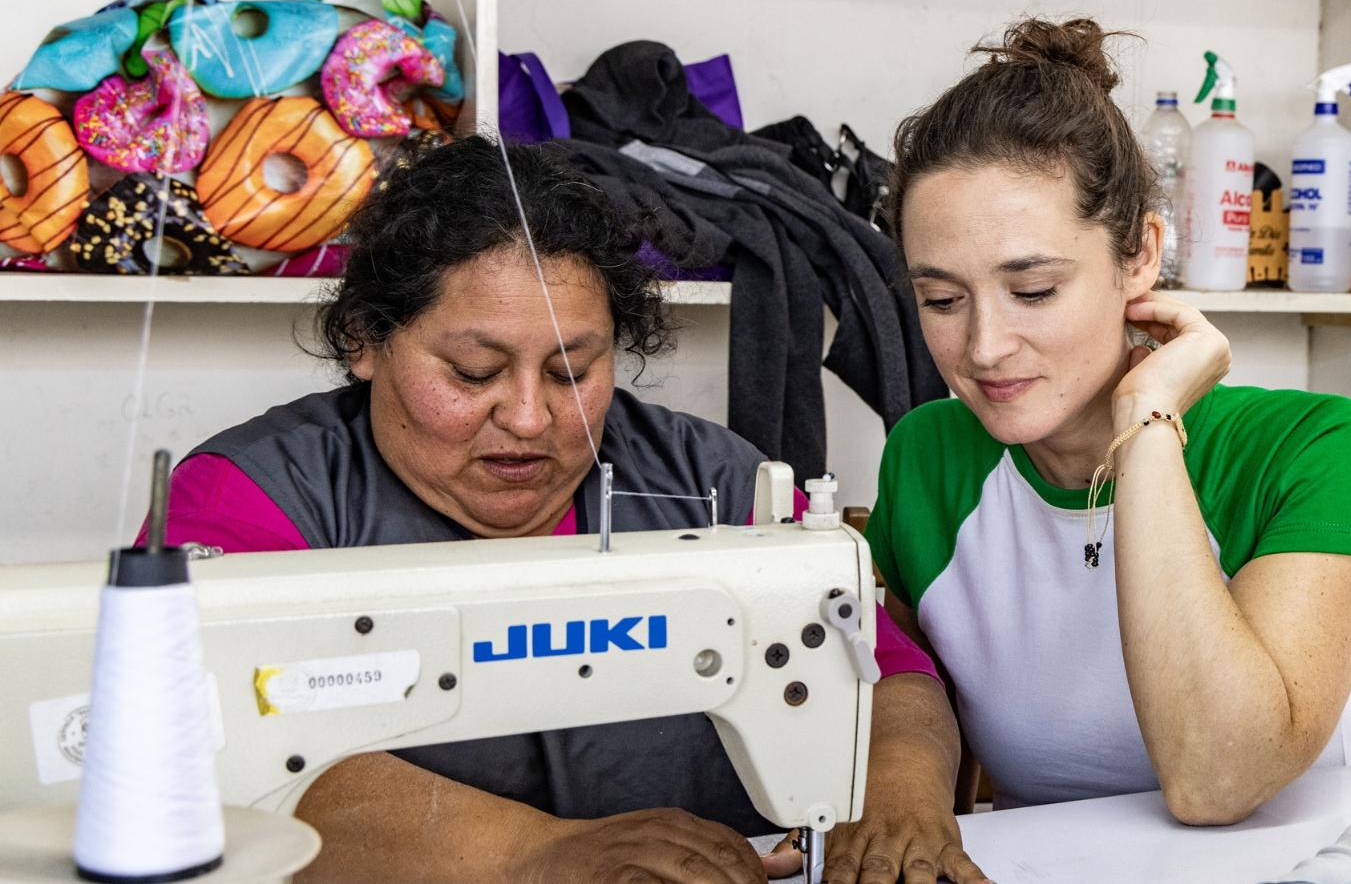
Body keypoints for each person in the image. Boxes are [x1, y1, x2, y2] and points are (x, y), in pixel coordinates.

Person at [153, 135, 984, 884]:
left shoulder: (718, 479)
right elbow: (195, 748)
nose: (528, 417)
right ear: (365, 340)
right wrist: (529, 854)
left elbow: (885, 668)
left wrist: (898, 791)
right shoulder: (249, 501)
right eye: (475, 372)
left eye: (571, 370)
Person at [864, 18, 1351, 830]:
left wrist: (1148, 422)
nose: (982, 347)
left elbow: (1218, 776)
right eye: (942, 300)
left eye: (1034, 290)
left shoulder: (1319, 449)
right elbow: (908, 687)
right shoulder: (929, 455)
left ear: (1141, 256)